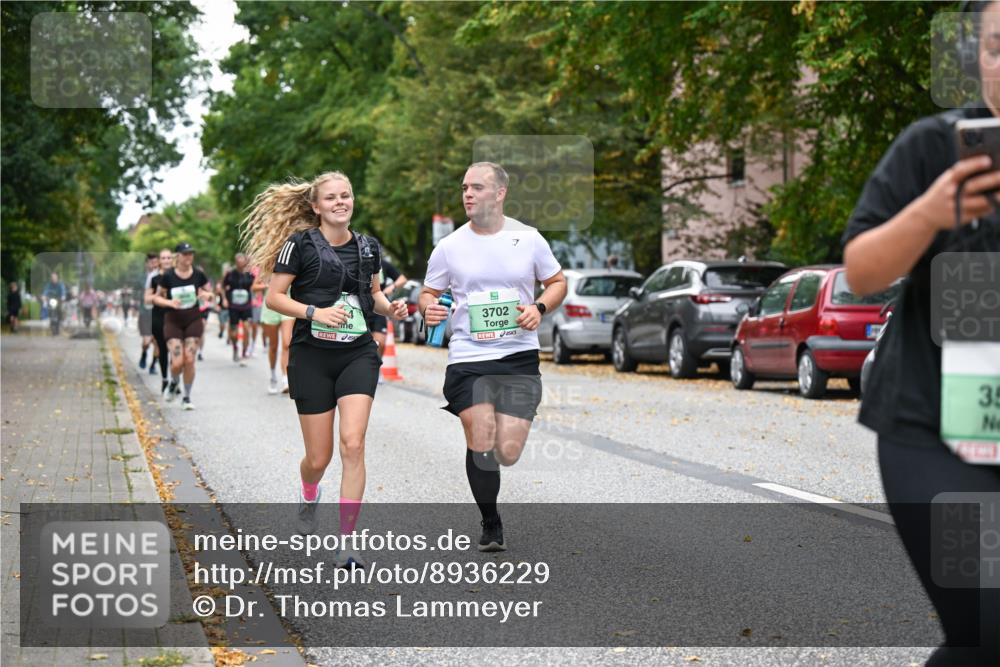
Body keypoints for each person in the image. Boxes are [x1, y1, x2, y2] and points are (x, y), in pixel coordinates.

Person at [842, 3, 1000, 664]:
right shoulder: (935, 147)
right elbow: (862, 270)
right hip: (934, 434)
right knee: (987, 621)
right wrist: (930, 212)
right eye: (996, 47)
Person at [243, 171, 407, 564]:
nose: (340, 202)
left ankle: (347, 543)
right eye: (331, 197)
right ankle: (309, 491)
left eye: (346, 196)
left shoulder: (369, 247)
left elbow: (374, 295)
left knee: (353, 443)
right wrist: (314, 311)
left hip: (357, 353)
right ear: (316, 206)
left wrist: (392, 309)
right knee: (319, 458)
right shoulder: (298, 245)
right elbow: (275, 297)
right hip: (312, 355)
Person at [419, 162, 567, 552]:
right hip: (468, 357)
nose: (467, 194)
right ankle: (491, 522)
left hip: (518, 356)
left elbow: (557, 282)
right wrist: (429, 308)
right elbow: (428, 293)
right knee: (481, 438)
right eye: (465, 188)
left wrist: (539, 307)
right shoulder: (449, 247)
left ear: (499, 193)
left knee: (508, 452)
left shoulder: (529, 238)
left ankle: (493, 484)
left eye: (477, 187)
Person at [152, 243, 213, 410]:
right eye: (185, 254)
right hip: (173, 321)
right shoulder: (168, 276)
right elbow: (156, 298)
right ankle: (173, 382)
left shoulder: (199, 275)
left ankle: (186, 397)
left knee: (189, 359)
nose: (189, 257)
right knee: (177, 362)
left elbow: (211, 294)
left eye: (191, 253)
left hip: (193, 319)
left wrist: (207, 295)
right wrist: (169, 302)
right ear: (177, 256)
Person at [370, 256, 408, 381]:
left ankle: (376, 368)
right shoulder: (355, 260)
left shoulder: (383, 264)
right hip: (361, 307)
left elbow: (402, 279)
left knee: (380, 341)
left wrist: (390, 289)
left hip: (380, 307)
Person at [146, 249, 173, 391]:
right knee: (163, 349)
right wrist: (159, 297)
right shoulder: (154, 278)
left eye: (169, 257)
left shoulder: (178, 275)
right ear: (159, 261)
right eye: (164, 258)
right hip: (158, 316)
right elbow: (147, 298)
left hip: (175, 316)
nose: (167, 260)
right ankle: (165, 379)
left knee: (175, 348)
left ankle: (175, 379)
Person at [221, 253, 255, 365]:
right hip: (233, 306)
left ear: (245, 261)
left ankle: (244, 353)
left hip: (246, 306)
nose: (240, 263)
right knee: (234, 332)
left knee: (246, 328)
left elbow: (255, 286)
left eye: (242, 260)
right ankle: (235, 346)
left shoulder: (249, 274)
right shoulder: (230, 274)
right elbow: (222, 287)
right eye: (238, 261)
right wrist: (224, 299)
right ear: (236, 262)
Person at [138, 253, 158, 370]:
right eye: (151, 262)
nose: (153, 265)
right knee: (147, 341)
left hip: (158, 314)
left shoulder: (162, 276)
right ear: (146, 264)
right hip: (145, 313)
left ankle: (153, 364)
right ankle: (144, 354)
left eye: (156, 262)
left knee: (156, 342)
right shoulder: (141, 278)